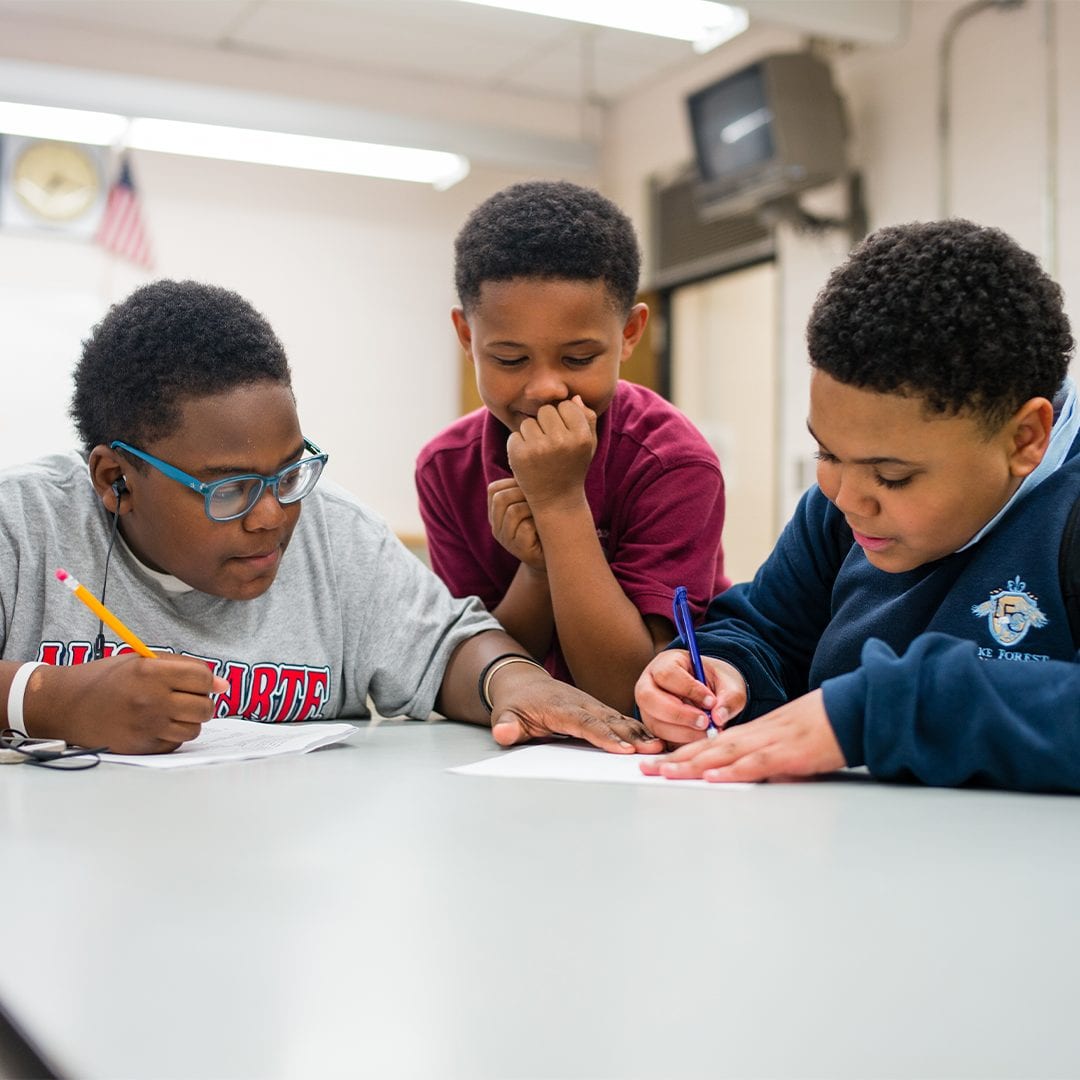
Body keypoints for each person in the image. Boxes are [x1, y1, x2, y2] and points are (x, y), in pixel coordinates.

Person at [0, 279, 664, 757]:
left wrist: (514, 682)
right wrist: (47, 698)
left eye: (289, 473)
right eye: (227, 490)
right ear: (118, 481)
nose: (271, 517)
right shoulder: (25, 524)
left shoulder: (332, 533)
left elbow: (448, 647)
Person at [636, 218, 1080, 792]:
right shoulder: (841, 510)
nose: (845, 497)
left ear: (1024, 438)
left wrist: (883, 709)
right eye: (827, 452)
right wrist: (718, 671)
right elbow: (767, 629)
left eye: (892, 475)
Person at [416, 180, 729, 715]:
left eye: (579, 358)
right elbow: (469, 669)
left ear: (629, 333)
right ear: (467, 337)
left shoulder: (673, 463)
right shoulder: (447, 467)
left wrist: (560, 506)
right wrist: (537, 572)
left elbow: (628, 689)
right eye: (510, 360)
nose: (544, 389)